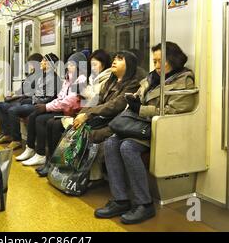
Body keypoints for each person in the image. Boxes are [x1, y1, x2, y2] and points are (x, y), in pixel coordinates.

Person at [95, 42, 196, 225]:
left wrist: (142, 109)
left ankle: (145, 203)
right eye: (155, 61)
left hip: (159, 131)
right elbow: (140, 100)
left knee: (127, 147)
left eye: (161, 62)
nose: (157, 67)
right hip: (139, 126)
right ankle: (121, 199)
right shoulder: (150, 79)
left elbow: (174, 111)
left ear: (173, 60)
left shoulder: (184, 81)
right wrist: (134, 101)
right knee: (111, 143)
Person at [37, 51, 143, 178]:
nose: (114, 61)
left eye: (120, 59)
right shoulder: (111, 81)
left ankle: (72, 172)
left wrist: (86, 115)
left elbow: (114, 106)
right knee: (65, 126)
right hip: (100, 118)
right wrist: (81, 115)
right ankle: (57, 166)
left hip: (114, 123)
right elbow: (96, 101)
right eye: (114, 58)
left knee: (81, 132)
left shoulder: (132, 84)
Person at [16, 52, 87, 166]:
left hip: (73, 114)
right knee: (35, 115)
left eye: (72, 65)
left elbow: (70, 101)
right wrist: (47, 106)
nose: (69, 67)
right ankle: (32, 149)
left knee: (43, 120)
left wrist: (46, 107)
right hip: (62, 109)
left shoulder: (81, 80)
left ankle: (43, 155)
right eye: (68, 64)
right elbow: (60, 97)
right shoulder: (67, 79)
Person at [0, 53, 43, 148]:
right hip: (23, 99)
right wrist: (14, 93)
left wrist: (21, 96)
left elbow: (35, 93)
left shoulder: (41, 76)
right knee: (0, 105)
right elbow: (23, 89)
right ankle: (6, 133)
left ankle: (16, 139)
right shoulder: (31, 75)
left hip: (30, 101)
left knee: (12, 110)